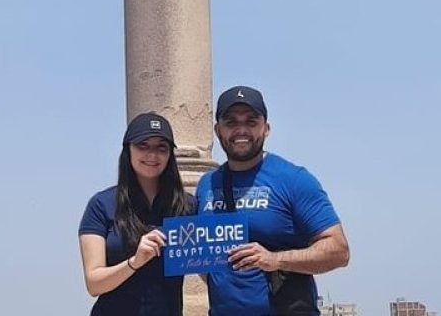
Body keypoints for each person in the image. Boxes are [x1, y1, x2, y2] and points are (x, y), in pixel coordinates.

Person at [195, 85, 350, 315]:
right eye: (231, 122)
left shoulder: (294, 179)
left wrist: (275, 260)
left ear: (266, 128)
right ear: (218, 130)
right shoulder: (206, 185)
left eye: (251, 121)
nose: (241, 130)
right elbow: (202, 258)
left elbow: (339, 251)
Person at [79, 112, 193, 315]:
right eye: (143, 145)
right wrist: (135, 262)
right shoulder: (101, 205)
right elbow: (94, 284)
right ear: (128, 150)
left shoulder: (188, 206)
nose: (152, 155)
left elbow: (210, 262)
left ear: (170, 155)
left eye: (161, 148)